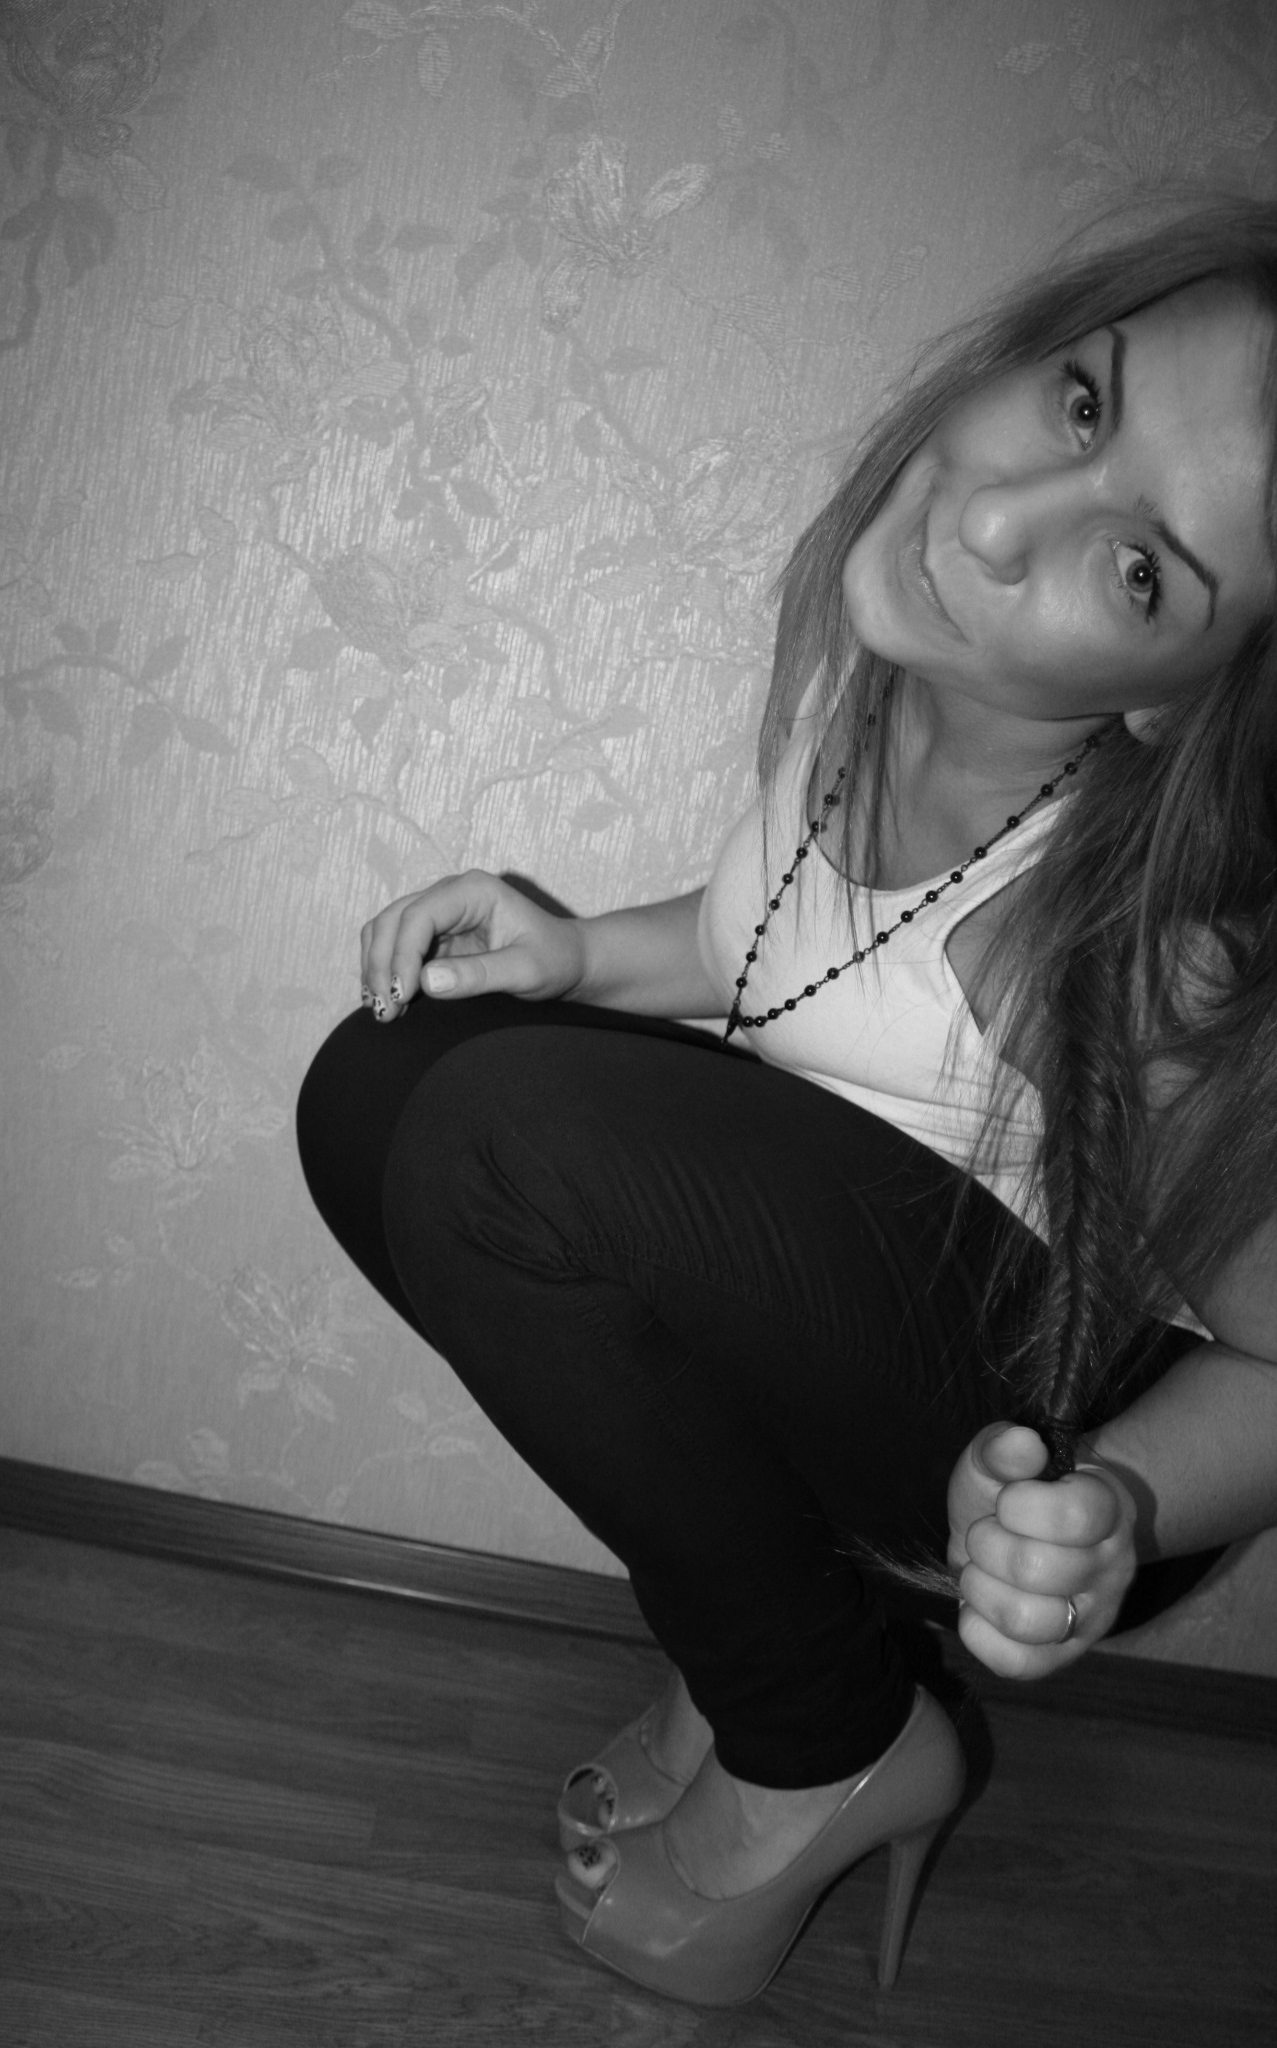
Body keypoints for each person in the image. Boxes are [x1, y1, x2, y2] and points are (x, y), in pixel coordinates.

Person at [297, 198, 1277, 2006]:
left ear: (1184, 701)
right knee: (379, 1082)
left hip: (1046, 1444)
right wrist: (574, 955)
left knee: (504, 1149)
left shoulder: (1113, 952)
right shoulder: (876, 709)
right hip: (862, 1318)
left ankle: (821, 1734)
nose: (997, 519)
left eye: (1143, 570)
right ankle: (769, 1639)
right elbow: (774, 953)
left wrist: (1115, 1504)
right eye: (1081, 404)